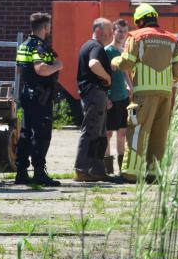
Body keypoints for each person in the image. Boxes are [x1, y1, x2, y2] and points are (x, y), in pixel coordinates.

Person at [112, 4, 178, 182]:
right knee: (159, 135)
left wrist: (115, 61)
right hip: (165, 94)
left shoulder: (137, 37)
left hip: (144, 94)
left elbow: (126, 64)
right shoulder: (171, 38)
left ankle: (130, 174)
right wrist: (171, 80)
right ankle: (154, 175)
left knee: (137, 131)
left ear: (140, 21)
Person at [14, 12, 63, 187]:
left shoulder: (24, 45)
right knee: (41, 135)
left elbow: (20, 70)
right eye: (49, 26)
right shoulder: (38, 47)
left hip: (28, 93)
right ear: (44, 27)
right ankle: (39, 173)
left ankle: (21, 172)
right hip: (40, 97)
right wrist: (57, 65)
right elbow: (41, 69)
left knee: (26, 134)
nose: (50, 29)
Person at [74, 18, 118, 182]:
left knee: (99, 134)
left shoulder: (88, 45)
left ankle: (97, 170)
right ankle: (81, 169)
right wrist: (107, 77)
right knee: (91, 131)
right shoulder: (96, 47)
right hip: (94, 94)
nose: (111, 34)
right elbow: (93, 64)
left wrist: (105, 94)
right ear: (98, 31)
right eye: (109, 30)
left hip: (96, 94)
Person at [103, 19, 131, 176]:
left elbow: (125, 72)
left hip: (123, 98)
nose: (122, 34)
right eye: (119, 31)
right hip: (111, 98)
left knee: (122, 133)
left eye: (124, 31)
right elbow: (104, 75)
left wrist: (130, 88)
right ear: (113, 32)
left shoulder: (124, 51)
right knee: (108, 133)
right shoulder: (107, 51)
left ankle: (122, 169)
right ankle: (108, 169)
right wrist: (106, 96)